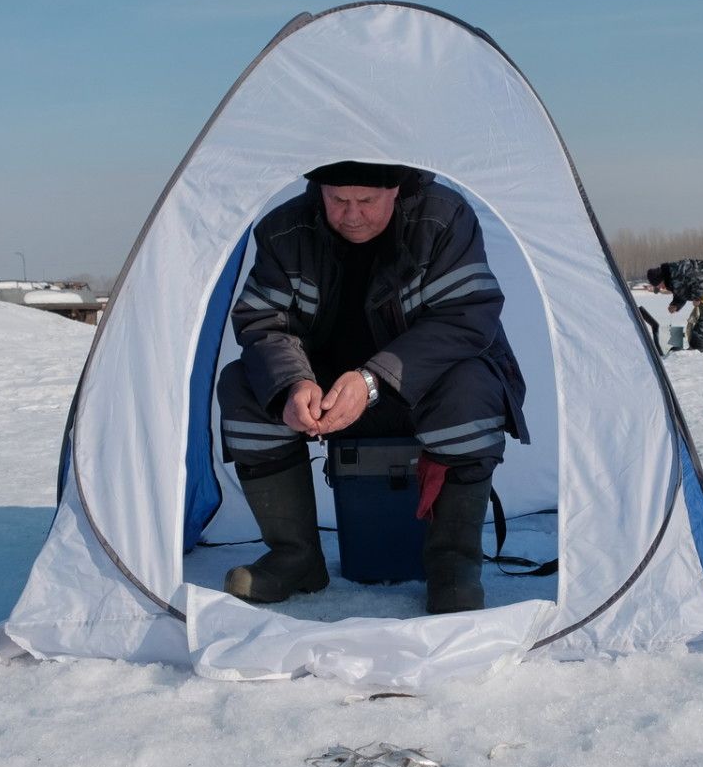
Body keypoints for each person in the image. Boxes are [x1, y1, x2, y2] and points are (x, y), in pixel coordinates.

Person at [215, 161, 527, 614]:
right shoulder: (283, 231)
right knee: (244, 385)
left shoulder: (444, 218)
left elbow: (467, 315)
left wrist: (373, 379)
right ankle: (296, 557)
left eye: (366, 200)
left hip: (422, 390)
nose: (352, 214)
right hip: (328, 396)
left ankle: (453, 568)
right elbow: (263, 322)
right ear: (317, 189)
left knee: (473, 386)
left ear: (397, 190)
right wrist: (292, 384)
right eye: (338, 199)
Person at [646, 259, 703, 351]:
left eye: (659, 286)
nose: (660, 288)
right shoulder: (671, 278)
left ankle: (698, 347)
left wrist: (697, 297)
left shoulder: (676, 271)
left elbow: (701, 279)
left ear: (661, 279)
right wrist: (675, 304)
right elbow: (683, 291)